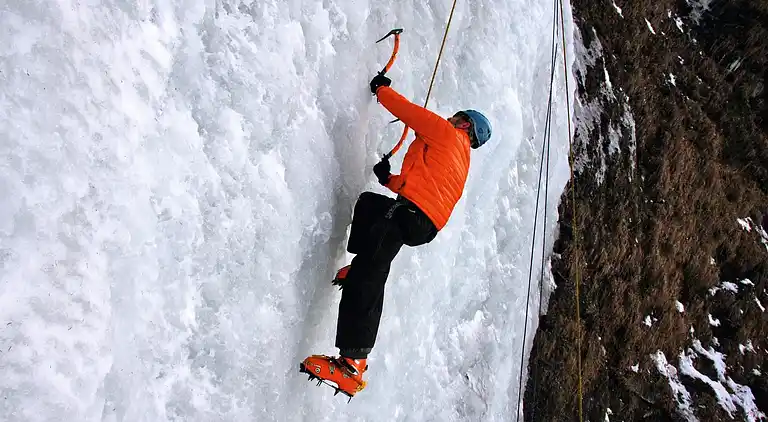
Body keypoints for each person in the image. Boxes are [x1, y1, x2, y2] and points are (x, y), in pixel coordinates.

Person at [300, 73, 492, 398]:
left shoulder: (448, 134)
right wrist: (388, 180)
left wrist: (381, 89)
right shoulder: (459, 159)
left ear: (464, 124)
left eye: (455, 117)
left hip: (411, 214)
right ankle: (356, 270)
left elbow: (408, 112)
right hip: (419, 220)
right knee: (370, 204)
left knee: (371, 273)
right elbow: (423, 187)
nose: (449, 118)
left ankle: (352, 364)